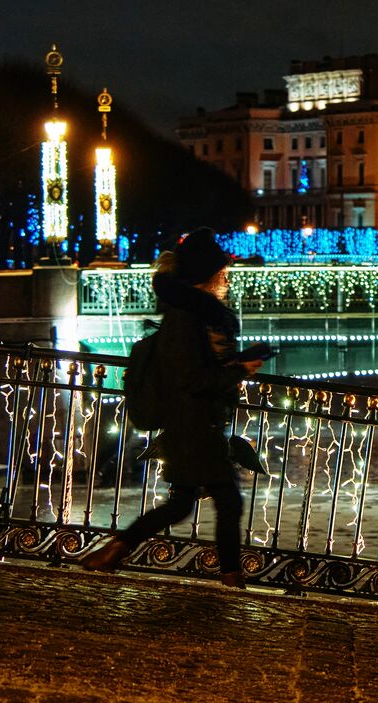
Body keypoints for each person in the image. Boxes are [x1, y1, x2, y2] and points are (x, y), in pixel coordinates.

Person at [80, 228, 263, 587]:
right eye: (222, 272)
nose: (226, 278)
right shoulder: (188, 318)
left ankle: (115, 548)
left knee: (181, 505)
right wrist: (239, 369)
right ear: (206, 275)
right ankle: (232, 576)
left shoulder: (193, 314)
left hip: (193, 424)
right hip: (193, 425)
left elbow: (199, 368)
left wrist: (237, 363)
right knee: (228, 501)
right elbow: (192, 378)